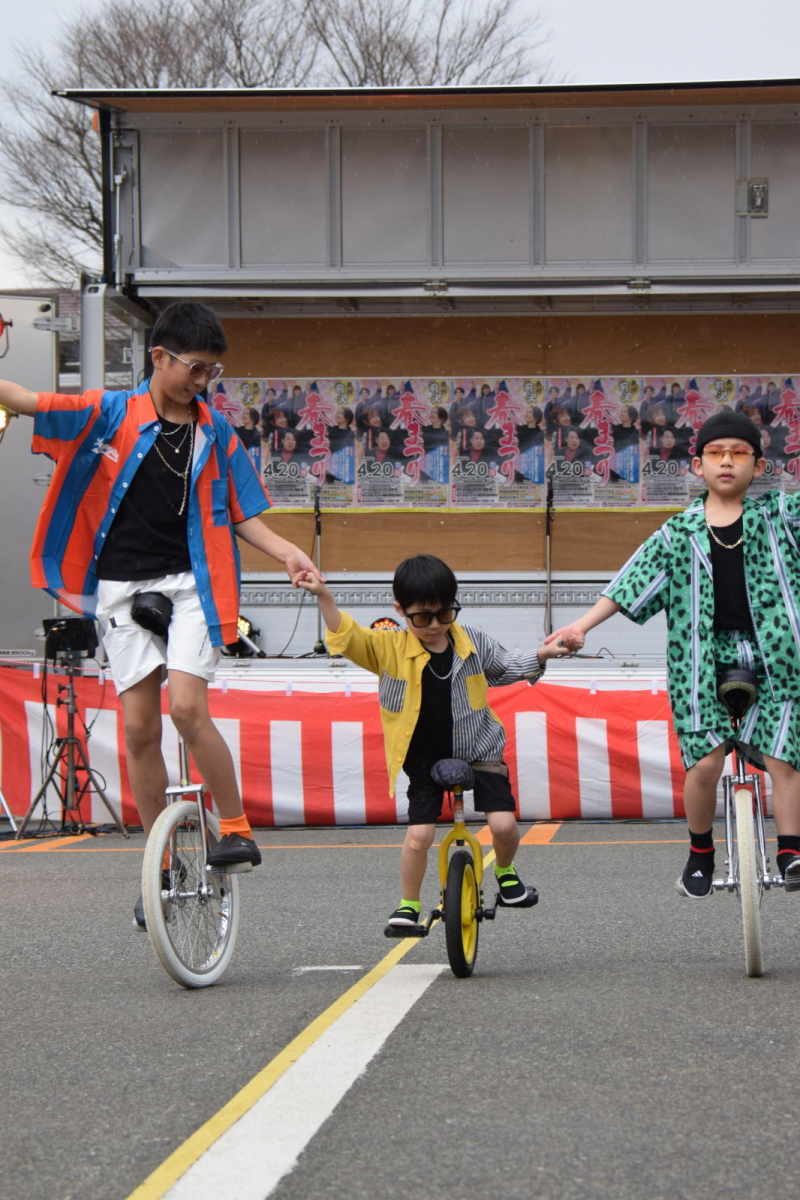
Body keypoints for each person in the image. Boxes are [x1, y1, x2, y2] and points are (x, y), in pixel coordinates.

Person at [0, 301, 322, 927]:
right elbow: (28, 398)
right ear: (159, 357)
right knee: (140, 729)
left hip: (192, 586)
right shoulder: (109, 412)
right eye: (195, 368)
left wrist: (287, 554)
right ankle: (162, 863)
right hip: (121, 589)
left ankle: (235, 826)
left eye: (212, 371)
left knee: (186, 708)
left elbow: (242, 512)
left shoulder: (216, 433)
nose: (202, 382)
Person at [546, 411, 800, 898]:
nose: (727, 461)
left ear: (760, 465)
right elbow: (629, 585)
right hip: (698, 661)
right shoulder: (676, 534)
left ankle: (790, 849)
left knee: (785, 755)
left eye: (739, 453)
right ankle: (700, 851)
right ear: (699, 464)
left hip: (777, 658)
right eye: (715, 453)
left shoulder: (780, 519)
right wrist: (578, 627)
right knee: (704, 762)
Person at [296, 555, 567, 927]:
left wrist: (543, 654)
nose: (435, 626)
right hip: (422, 758)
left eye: (445, 614)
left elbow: (506, 667)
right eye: (422, 617)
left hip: (479, 750)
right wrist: (324, 596)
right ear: (400, 611)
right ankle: (408, 904)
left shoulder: (472, 642)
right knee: (419, 836)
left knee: (504, 826)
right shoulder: (387, 648)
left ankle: (505, 874)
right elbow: (348, 635)